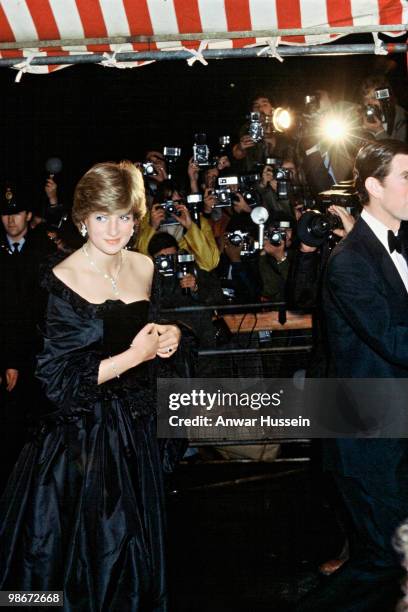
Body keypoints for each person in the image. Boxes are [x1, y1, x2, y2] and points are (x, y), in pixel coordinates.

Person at [0, 161, 182, 611]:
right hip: (78, 442)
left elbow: (151, 326)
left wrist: (169, 335)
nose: (114, 228)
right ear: (82, 219)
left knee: (135, 561)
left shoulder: (143, 266)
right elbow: (54, 382)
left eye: (123, 216)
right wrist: (132, 357)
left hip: (135, 435)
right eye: (102, 217)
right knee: (65, 567)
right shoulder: (62, 279)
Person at [298, 139, 408, 611]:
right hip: (367, 442)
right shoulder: (349, 264)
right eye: (407, 177)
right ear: (373, 187)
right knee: (384, 560)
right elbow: (396, 342)